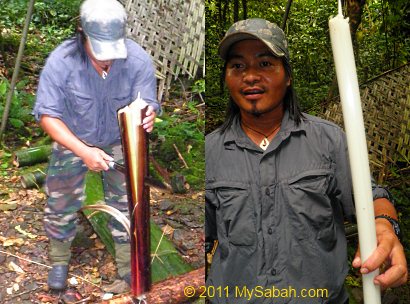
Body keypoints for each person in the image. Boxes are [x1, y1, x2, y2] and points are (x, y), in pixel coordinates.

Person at [205, 18, 407, 303]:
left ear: (287, 76)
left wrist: (385, 225)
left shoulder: (328, 140)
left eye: (265, 64)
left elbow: (371, 196)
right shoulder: (209, 152)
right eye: (237, 66)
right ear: (226, 77)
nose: (250, 76)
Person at [33, 0, 159, 291]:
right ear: (82, 32)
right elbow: (48, 116)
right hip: (72, 139)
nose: (108, 59)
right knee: (61, 200)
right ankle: (59, 261)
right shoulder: (61, 61)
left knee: (130, 202)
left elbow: (148, 102)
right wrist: (83, 151)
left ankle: (129, 269)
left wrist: (148, 114)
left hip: (120, 141)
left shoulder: (137, 59)